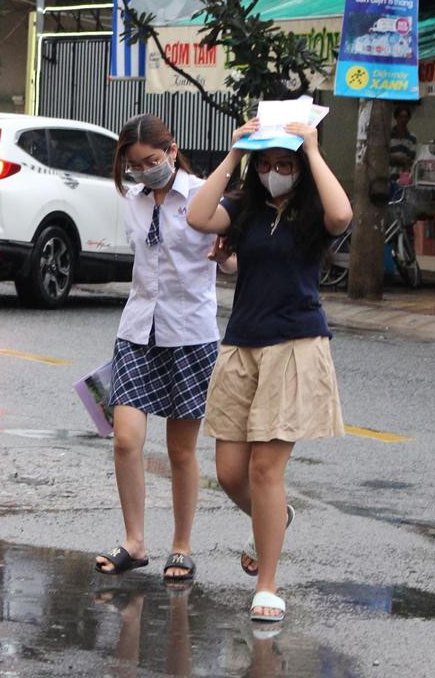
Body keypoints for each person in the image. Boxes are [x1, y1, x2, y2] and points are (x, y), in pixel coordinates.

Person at [187, 118, 353, 624]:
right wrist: (235, 151)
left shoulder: (310, 211)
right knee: (229, 473)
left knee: (265, 469)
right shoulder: (245, 207)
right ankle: (276, 519)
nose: (274, 173)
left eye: (284, 165)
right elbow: (197, 216)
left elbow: (342, 214)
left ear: (298, 169)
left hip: (295, 345)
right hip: (242, 345)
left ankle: (267, 584)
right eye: (267, 164)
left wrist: (312, 149)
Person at [94, 113, 232, 583]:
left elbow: (229, 258)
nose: (145, 171)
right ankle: (135, 541)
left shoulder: (200, 195)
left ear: (171, 150)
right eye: (135, 166)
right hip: (137, 330)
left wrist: (226, 257)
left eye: (152, 160)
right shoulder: (133, 201)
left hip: (189, 333)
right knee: (126, 439)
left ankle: (182, 545)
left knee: (180, 452)